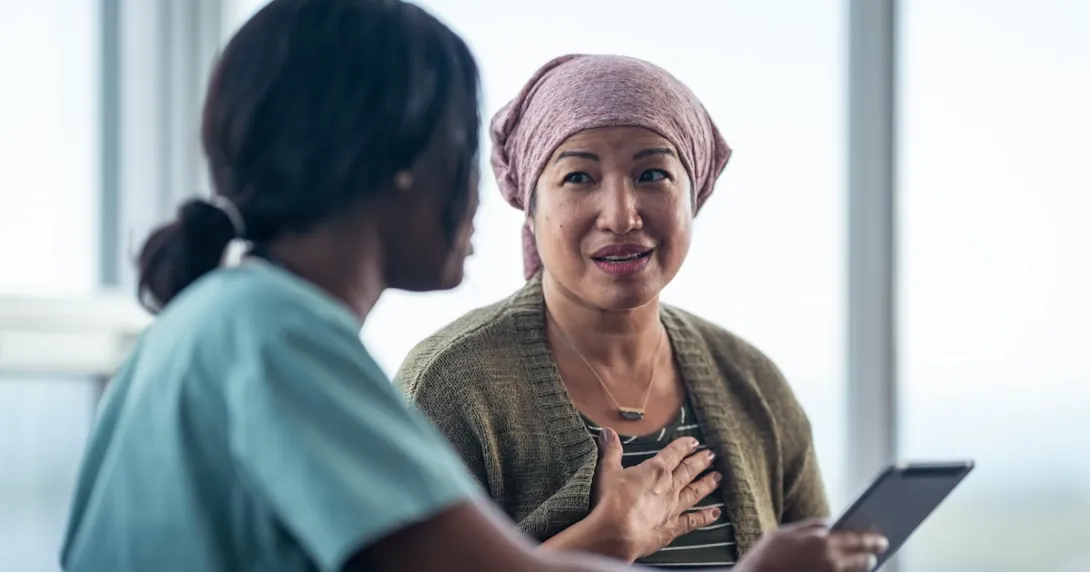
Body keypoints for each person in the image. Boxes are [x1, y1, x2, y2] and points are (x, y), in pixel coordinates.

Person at [60, 1, 886, 571]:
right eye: (465, 143)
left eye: (651, 173)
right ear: (400, 167)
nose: (486, 188)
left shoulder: (218, 321)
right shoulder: (274, 335)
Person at [397, 53, 836, 569]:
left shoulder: (753, 383)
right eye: (579, 178)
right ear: (531, 207)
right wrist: (605, 542)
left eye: (653, 173)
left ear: (694, 197)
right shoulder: (451, 387)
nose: (622, 215)